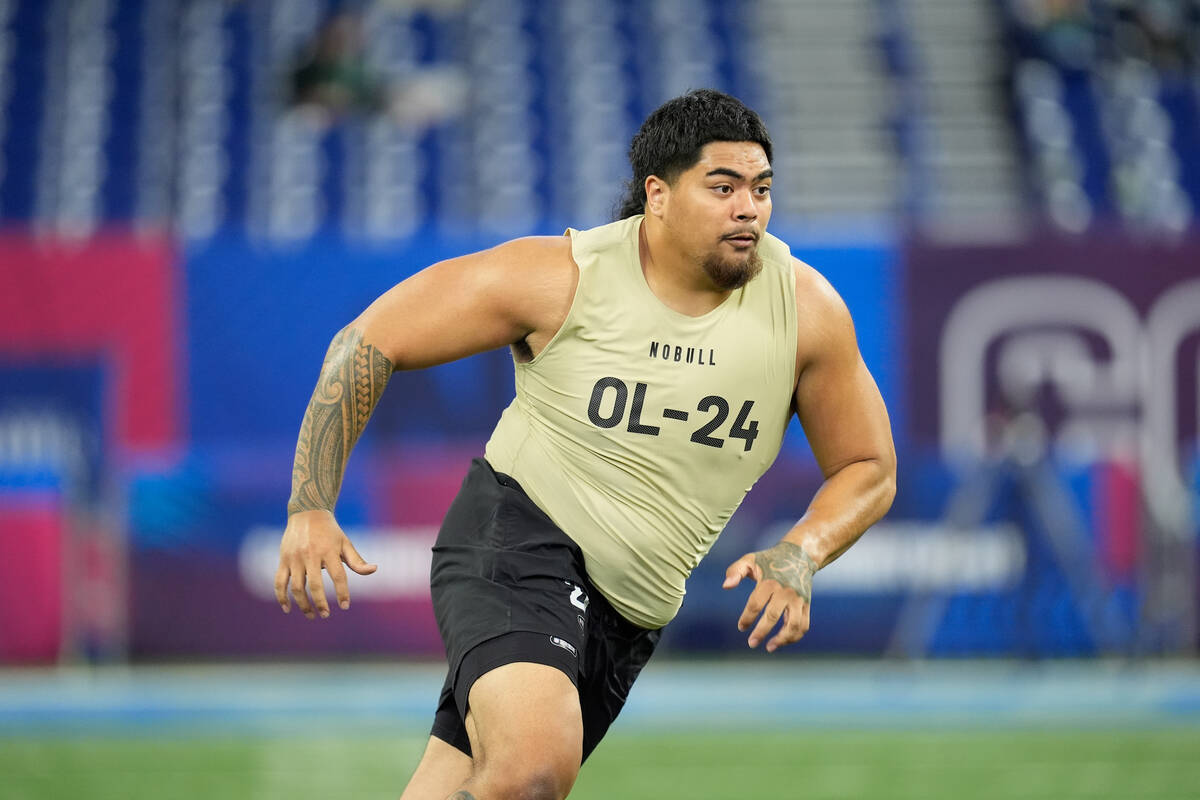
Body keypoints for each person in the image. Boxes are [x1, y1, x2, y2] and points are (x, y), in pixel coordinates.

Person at [275, 89, 896, 800]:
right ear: (657, 195)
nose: (748, 208)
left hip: (630, 616)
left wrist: (802, 552)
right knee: (533, 770)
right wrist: (311, 504)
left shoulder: (806, 310)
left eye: (761, 189)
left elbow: (868, 466)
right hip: (516, 540)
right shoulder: (564, 276)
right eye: (722, 188)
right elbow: (365, 344)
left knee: (470, 786)